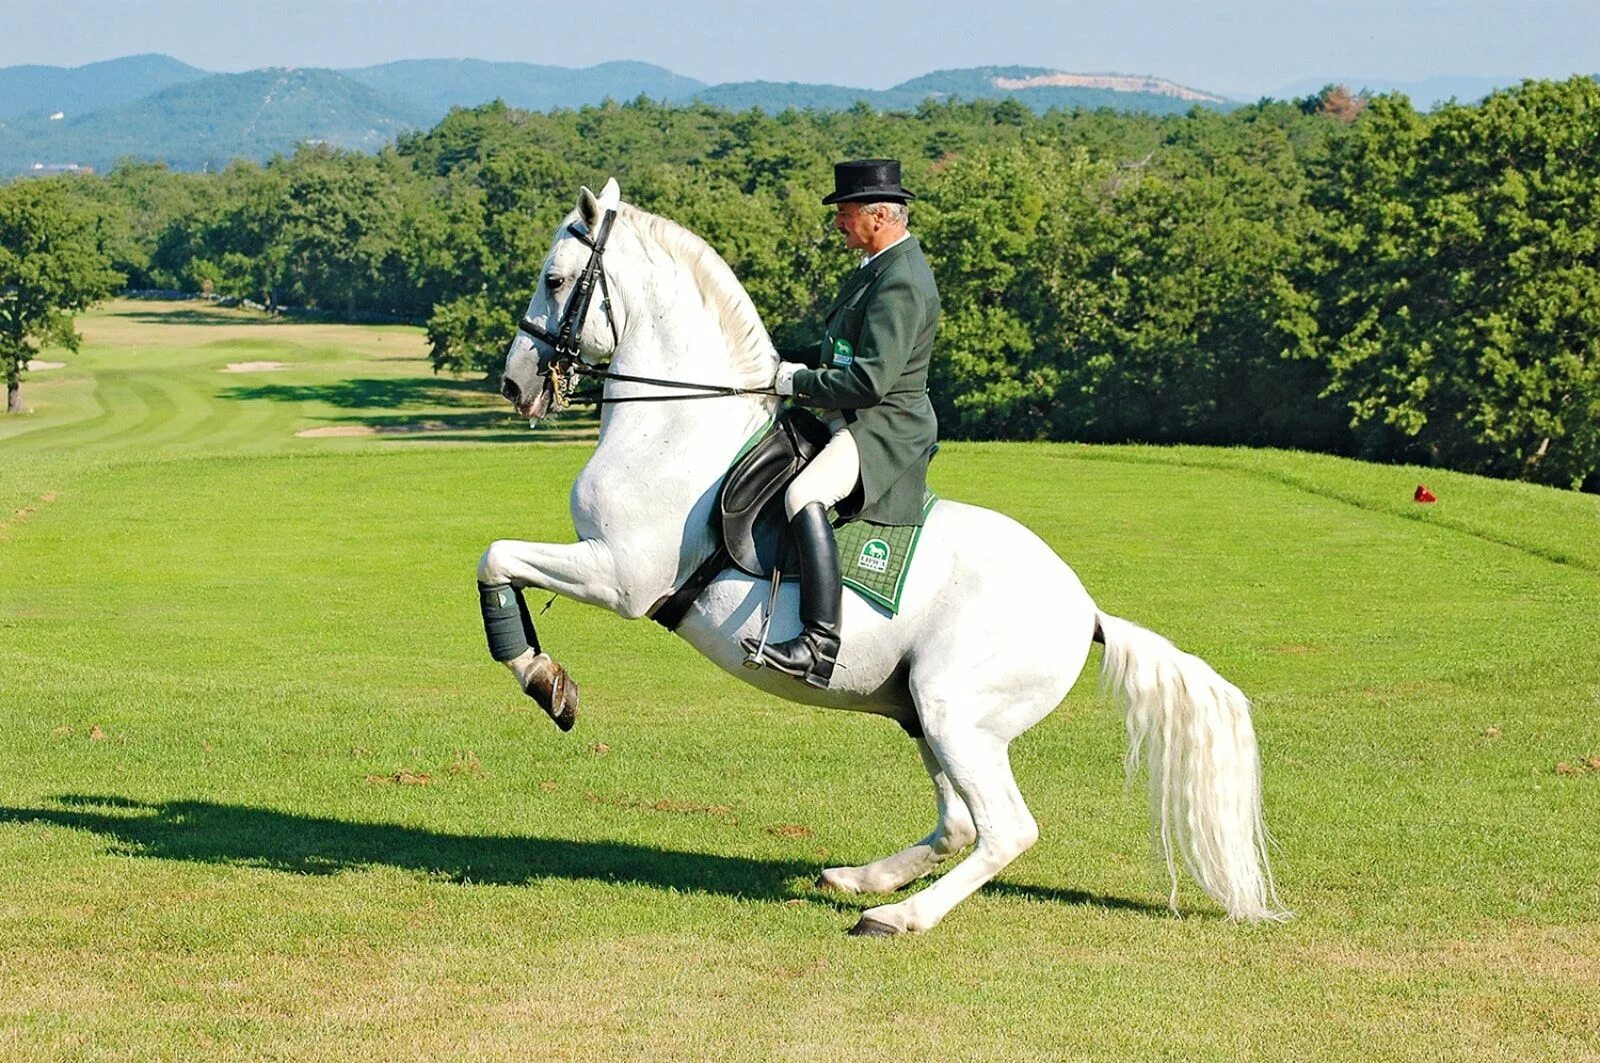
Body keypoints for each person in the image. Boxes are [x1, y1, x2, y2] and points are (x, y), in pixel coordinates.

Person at [743, 158, 941, 689]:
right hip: (855, 412)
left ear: (879, 216)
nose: (838, 223)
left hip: (883, 425)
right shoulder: (877, 267)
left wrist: (793, 383)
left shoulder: (900, 281)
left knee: (802, 494)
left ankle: (818, 643)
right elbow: (840, 353)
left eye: (845, 212)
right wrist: (766, 361)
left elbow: (869, 381)